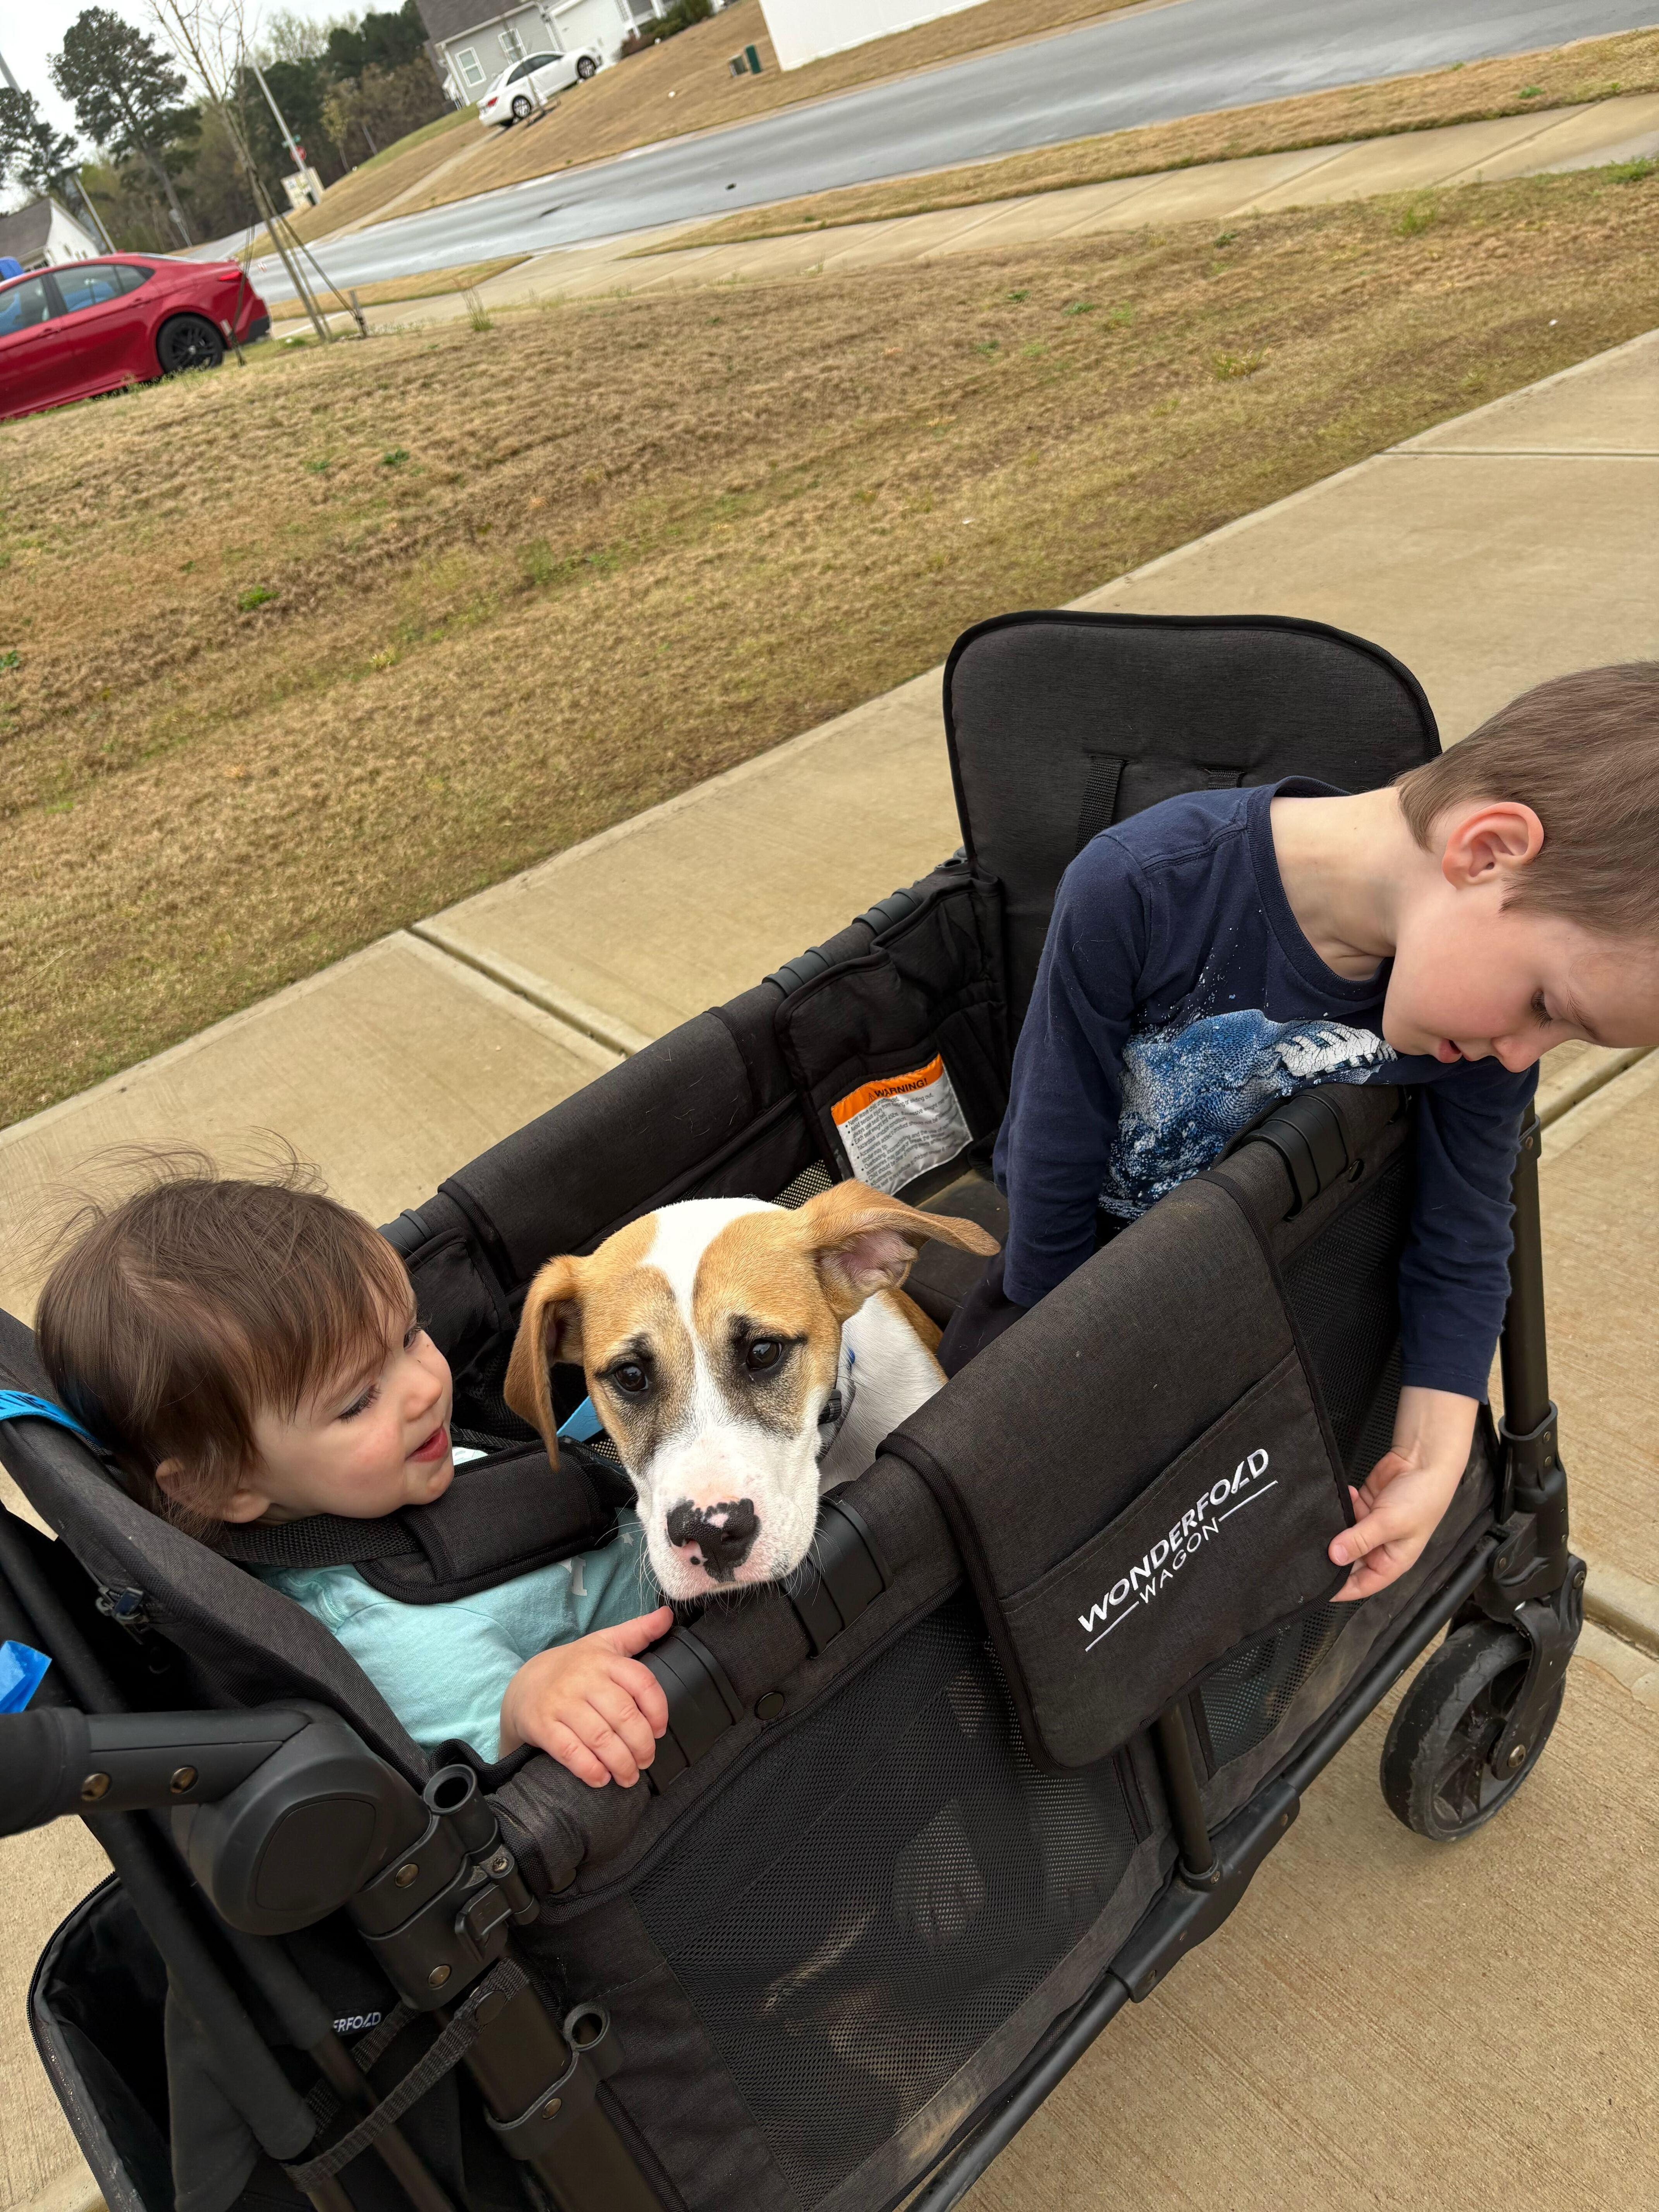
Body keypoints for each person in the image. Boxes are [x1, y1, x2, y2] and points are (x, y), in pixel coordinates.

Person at [941, 662, 1659, 1601]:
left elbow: (1465, 1231)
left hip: (1262, 1304)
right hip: (1074, 1303)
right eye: (1545, 1005)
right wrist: (1086, 1389)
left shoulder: (1480, 1040)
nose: (1526, 1055)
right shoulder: (1144, 890)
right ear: (1485, 852)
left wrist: (1435, 1453)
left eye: (1563, 1036)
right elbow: (1050, 1168)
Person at [35, 1171, 673, 1786]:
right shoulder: (389, 1629)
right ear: (223, 1488)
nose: (425, 1387)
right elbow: (498, 1772)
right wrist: (526, 1702)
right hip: (683, 1655)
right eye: (356, 1402)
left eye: (412, 1335)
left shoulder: (390, 1466)